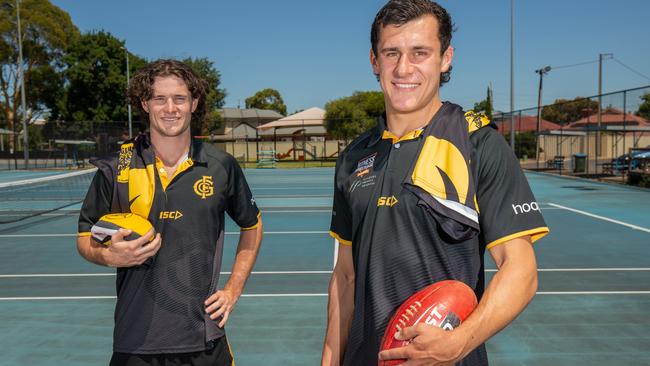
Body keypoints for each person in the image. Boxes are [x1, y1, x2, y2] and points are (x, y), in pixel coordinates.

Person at [322, 1, 549, 365]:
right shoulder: (353, 157)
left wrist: (458, 342)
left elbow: (521, 270)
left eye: (420, 53)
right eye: (391, 52)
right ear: (374, 61)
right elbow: (345, 278)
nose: (403, 68)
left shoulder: (477, 143)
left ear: (445, 58)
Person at [77, 59, 263, 366]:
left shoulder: (221, 166)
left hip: (203, 339)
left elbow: (253, 226)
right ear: (145, 104)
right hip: (135, 342)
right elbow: (85, 237)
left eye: (179, 98)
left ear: (194, 103)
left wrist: (233, 289)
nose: (170, 108)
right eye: (159, 99)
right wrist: (109, 256)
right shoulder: (117, 168)